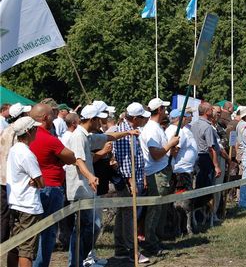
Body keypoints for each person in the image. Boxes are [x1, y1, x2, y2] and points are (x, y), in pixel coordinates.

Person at [66, 105, 139, 267]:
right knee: (86, 228)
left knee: (90, 227)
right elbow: (78, 160)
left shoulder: (87, 136)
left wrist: (127, 133)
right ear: (92, 120)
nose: (101, 122)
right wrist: (90, 175)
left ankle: (79, 260)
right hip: (80, 189)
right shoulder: (78, 136)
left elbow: (108, 137)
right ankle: (76, 262)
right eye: (98, 119)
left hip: (87, 189)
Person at [29, 103, 77, 267]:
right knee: (49, 231)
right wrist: (59, 158)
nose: (54, 118)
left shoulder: (27, 136)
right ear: (45, 118)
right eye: (52, 115)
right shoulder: (49, 138)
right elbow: (70, 157)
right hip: (51, 186)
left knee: (32, 232)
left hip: (32, 187)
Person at [139, 98, 179, 257]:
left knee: (159, 209)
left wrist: (170, 150)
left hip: (161, 171)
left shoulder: (155, 127)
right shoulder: (151, 129)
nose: (166, 112)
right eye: (164, 108)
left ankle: (154, 239)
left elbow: (159, 152)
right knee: (154, 209)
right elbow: (155, 154)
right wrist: (170, 144)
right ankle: (150, 242)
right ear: (160, 110)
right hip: (157, 173)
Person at [112, 102, 150, 264]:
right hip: (127, 182)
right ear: (135, 118)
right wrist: (131, 181)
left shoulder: (132, 131)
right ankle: (131, 250)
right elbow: (124, 159)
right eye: (142, 118)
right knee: (128, 217)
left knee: (124, 215)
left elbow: (137, 156)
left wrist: (143, 177)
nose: (144, 120)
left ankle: (121, 248)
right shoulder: (123, 132)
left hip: (135, 179)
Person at [7, 117, 45, 267]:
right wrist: (36, 181)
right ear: (29, 132)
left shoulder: (14, 149)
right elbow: (41, 182)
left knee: (14, 245)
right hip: (28, 206)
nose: (37, 131)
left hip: (15, 202)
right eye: (35, 129)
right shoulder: (27, 154)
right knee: (27, 251)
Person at [0, 103, 30, 247]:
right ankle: (6, 242)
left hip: (3, 177)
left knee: (5, 212)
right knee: (8, 213)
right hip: (11, 178)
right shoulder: (18, 133)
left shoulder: (6, 129)